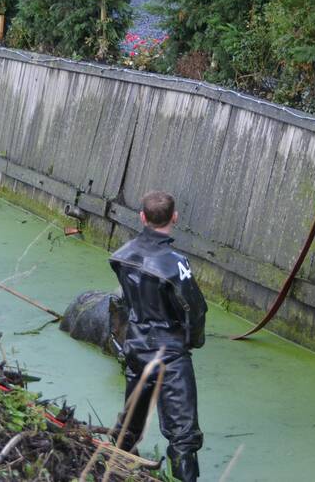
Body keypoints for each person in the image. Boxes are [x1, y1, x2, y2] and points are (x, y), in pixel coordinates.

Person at [110, 191, 207, 482]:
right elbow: (195, 309)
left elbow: (125, 302)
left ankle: (115, 470)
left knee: (130, 424)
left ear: (142, 217)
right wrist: (192, 341)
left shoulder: (122, 255)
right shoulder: (176, 263)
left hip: (136, 348)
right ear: (174, 217)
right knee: (184, 436)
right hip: (170, 355)